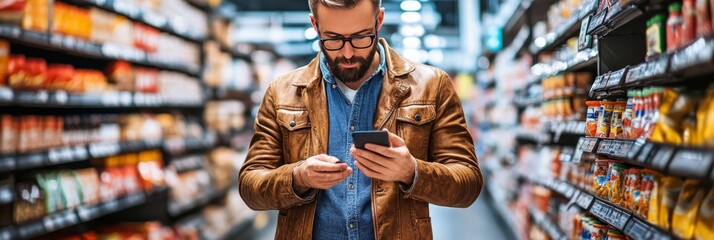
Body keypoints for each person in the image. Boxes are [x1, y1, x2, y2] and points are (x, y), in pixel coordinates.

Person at [238, 0, 483, 239]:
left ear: (379, 20)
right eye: (333, 39)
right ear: (315, 25)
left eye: (360, 37)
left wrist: (412, 171)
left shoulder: (431, 85)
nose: (347, 53)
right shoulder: (281, 92)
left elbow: (468, 184)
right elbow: (250, 186)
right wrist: (298, 177)